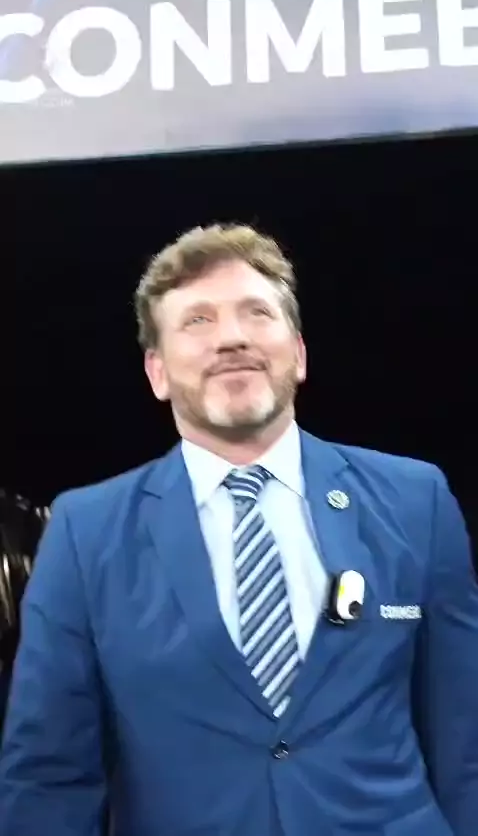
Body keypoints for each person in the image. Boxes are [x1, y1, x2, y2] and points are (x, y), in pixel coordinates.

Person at [1, 224, 477, 836]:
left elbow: (464, 735)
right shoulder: (84, 531)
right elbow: (48, 775)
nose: (231, 338)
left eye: (256, 312)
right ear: (157, 372)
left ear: (298, 354)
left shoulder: (416, 500)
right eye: (197, 320)